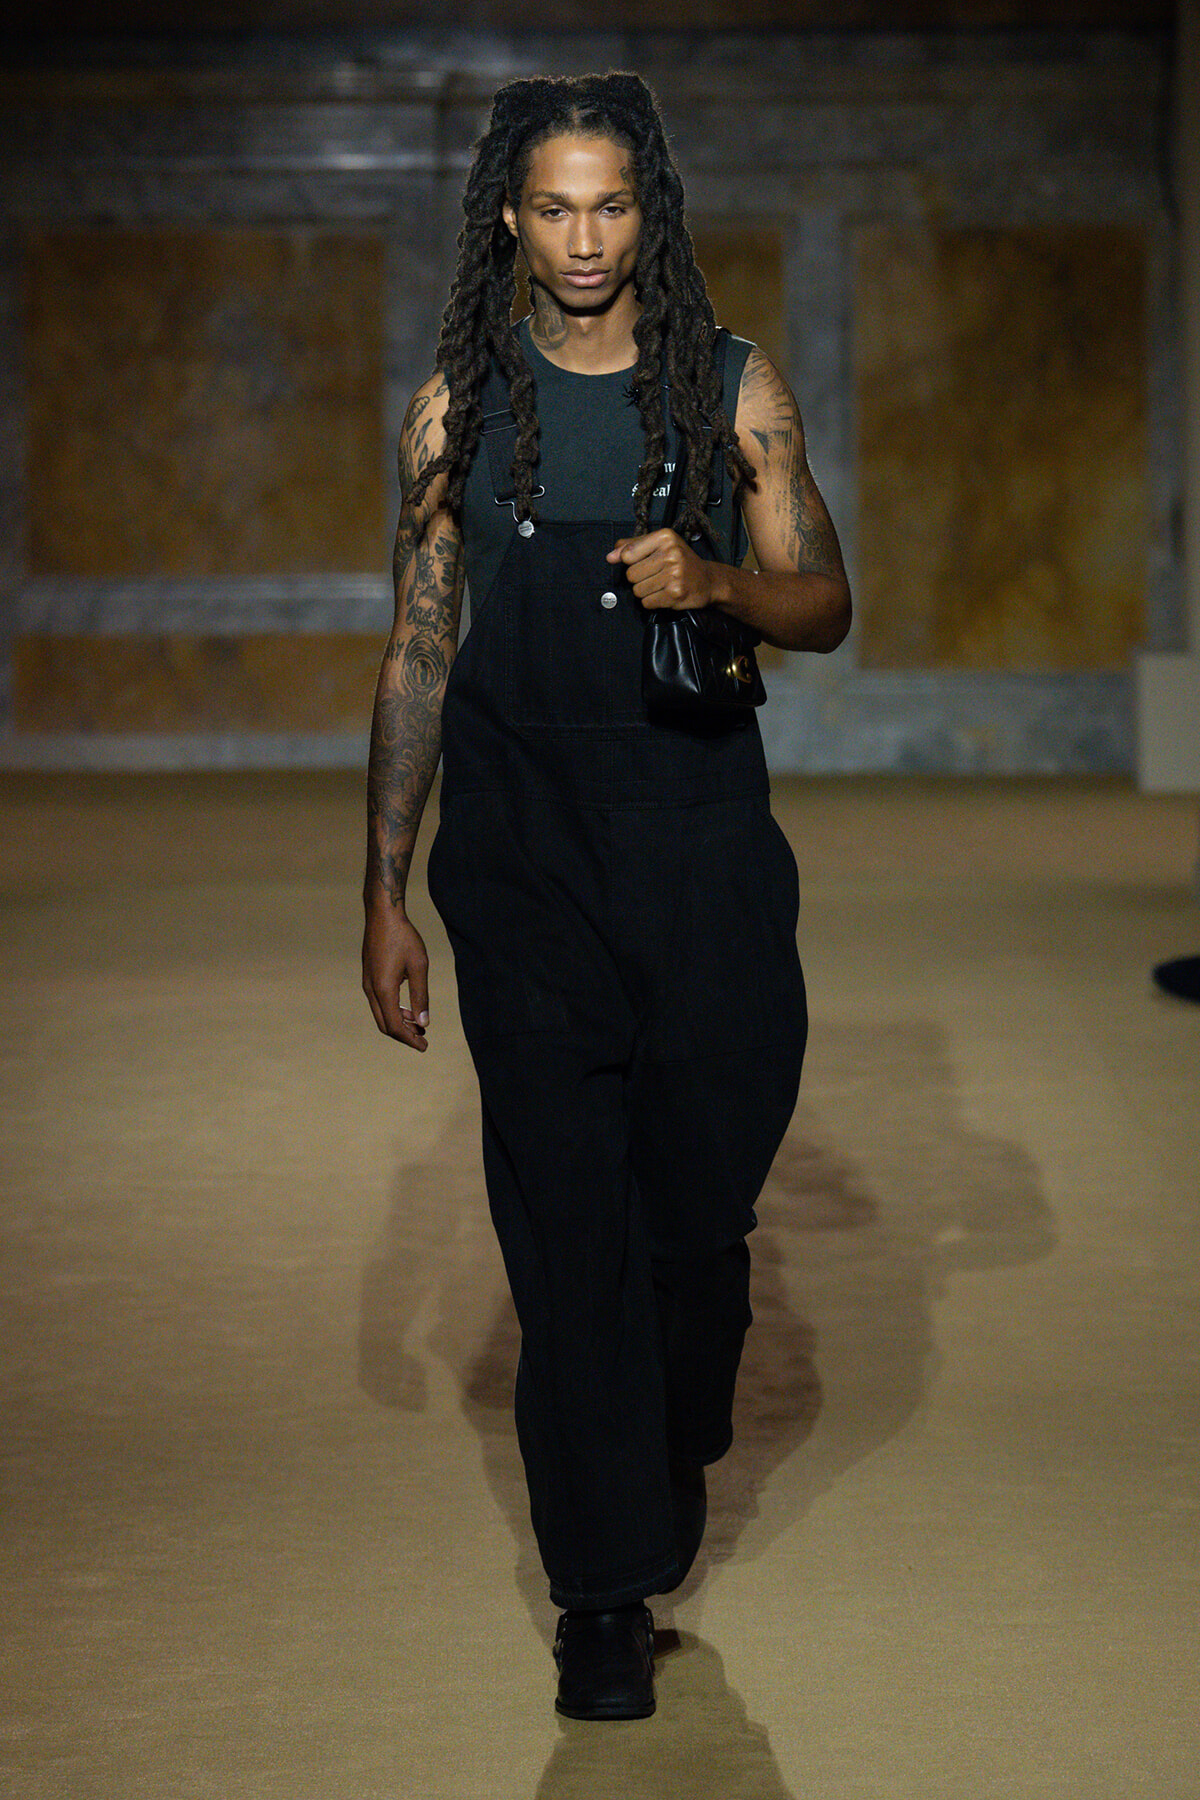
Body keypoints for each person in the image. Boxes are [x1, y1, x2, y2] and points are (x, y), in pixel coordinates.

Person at [361, 70, 851, 1721]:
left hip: (703, 862)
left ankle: (678, 1408)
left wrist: (716, 580)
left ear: (653, 215)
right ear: (511, 218)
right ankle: (602, 1595)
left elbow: (827, 599)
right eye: (554, 208)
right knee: (569, 1238)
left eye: (612, 206)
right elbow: (419, 649)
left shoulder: (730, 387)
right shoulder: (457, 409)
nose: (584, 239)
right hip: (524, 870)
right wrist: (385, 890)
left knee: (692, 1230)